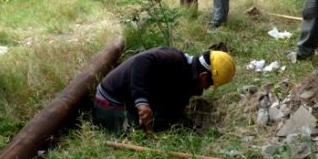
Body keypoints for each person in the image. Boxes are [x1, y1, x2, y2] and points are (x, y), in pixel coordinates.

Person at [93, 46, 236, 133]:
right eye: (209, 84)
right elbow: (141, 61)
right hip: (110, 103)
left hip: (124, 101)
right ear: (203, 75)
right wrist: (141, 102)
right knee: (140, 134)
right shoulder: (174, 60)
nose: (207, 88)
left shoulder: (187, 77)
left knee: (167, 121)